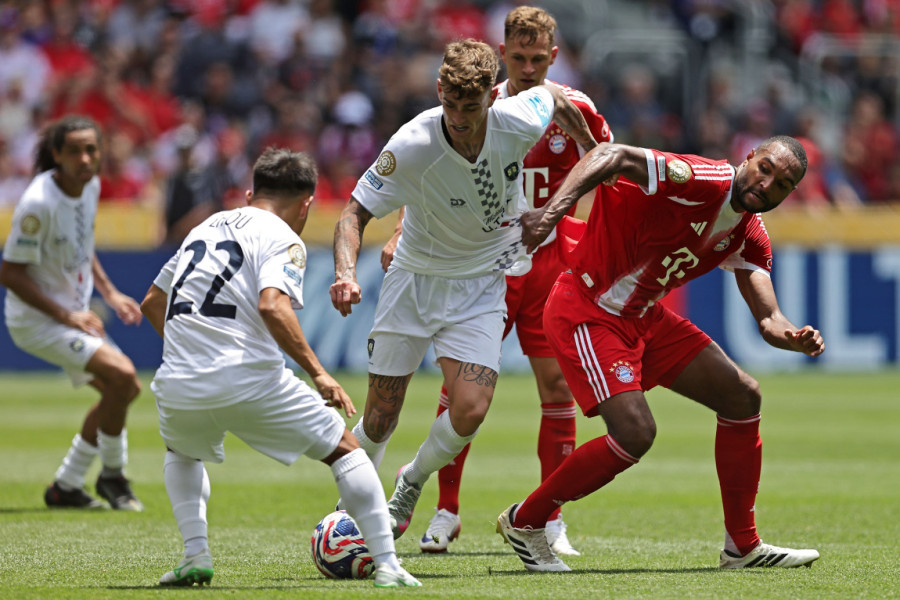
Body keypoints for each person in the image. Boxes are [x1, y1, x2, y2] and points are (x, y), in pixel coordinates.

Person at [495, 135, 825, 571]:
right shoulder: (701, 178)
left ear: (790, 193)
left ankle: (742, 547)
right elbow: (609, 154)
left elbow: (769, 318)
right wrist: (550, 214)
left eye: (781, 184)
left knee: (743, 396)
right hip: (589, 307)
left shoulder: (749, 233)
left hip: (643, 317)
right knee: (635, 432)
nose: (766, 185)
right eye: (765, 168)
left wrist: (793, 336)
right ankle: (526, 520)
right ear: (748, 157)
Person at [330, 39, 597, 542]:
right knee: (381, 418)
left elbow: (556, 96)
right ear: (439, 91)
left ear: (492, 99)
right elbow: (353, 212)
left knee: (471, 408)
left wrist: (588, 145)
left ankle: (411, 480)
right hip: (414, 281)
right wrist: (346, 273)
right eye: (450, 104)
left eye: (470, 108)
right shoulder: (412, 143)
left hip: (480, 284)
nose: (458, 118)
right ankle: (346, 511)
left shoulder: (519, 117)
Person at [140, 147, 420, 588]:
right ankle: (387, 563)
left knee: (182, 452)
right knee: (346, 450)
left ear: (251, 194)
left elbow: (152, 302)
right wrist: (319, 373)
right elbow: (273, 305)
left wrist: (191, 348)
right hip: (247, 376)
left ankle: (195, 556)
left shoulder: (203, 228)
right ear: (306, 204)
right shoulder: (283, 237)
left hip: (177, 381)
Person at [0, 114, 144, 511]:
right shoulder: (38, 204)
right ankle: (113, 476)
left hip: (73, 315)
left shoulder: (90, 186)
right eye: (75, 151)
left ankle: (66, 485)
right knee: (123, 375)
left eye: (91, 150)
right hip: (37, 321)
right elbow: (9, 273)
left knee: (125, 389)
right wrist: (67, 317)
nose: (84, 159)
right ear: (57, 155)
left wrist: (110, 292)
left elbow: (83, 244)